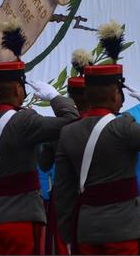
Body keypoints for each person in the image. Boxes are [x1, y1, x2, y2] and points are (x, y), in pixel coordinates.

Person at [54, 37, 140, 256]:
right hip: (123, 229)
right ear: (116, 94)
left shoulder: (68, 132)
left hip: (86, 228)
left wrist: (68, 234)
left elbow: (63, 191)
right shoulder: (124, 127)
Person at [0, 31, 79, 256]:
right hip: (23, 220)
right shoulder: (26, 121)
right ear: (18, 88)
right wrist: (55, 98)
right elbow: (72, 120)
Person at [39, 70, 89, 255]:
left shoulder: (58, 126)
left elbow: (44, 163)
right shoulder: (108, 123)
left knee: (63, 246)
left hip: (64, 198)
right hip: (96, 199)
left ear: (69, 96)